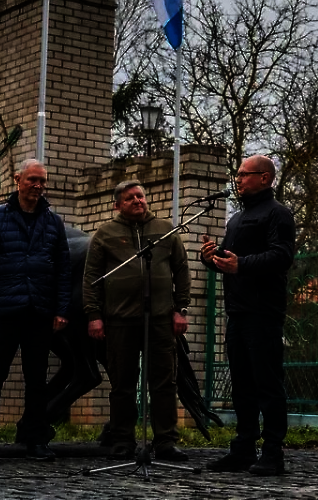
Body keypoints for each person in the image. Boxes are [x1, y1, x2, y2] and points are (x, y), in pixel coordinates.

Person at [199, 155, 296, 476]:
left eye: (244, 174)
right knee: (241, 385)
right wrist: (211, 258)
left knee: (267, 384)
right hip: (237, 311)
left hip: (263, 312)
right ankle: (242, 449)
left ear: (265, 178)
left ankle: (272, 452)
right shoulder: (237, 219)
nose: (237, 179)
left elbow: (281, 256)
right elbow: (230, 259)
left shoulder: (278, 214)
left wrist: (242, 265)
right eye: (237, 174)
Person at [0, 158, 70, 464]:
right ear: (18, 180)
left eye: (42, 181)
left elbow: (63, 269)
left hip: (39, 311)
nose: (38, 186)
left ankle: (35, 440)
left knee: (37, 380)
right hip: (3, 311)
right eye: (32, 180)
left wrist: (61, 309)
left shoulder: (53, 222)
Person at [83, 180, 192, 461]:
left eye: (141, 196)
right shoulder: (105, 233)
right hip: (120, 320)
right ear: (117, 204)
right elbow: (91, 277)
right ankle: (122, 441)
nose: (138, 201)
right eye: (130, 197)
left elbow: (181, 270)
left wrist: (181, 309)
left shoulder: (165, 230)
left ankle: (166, 441)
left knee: (164, 382)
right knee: (123, 384)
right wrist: (94, 315)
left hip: (159, 320)